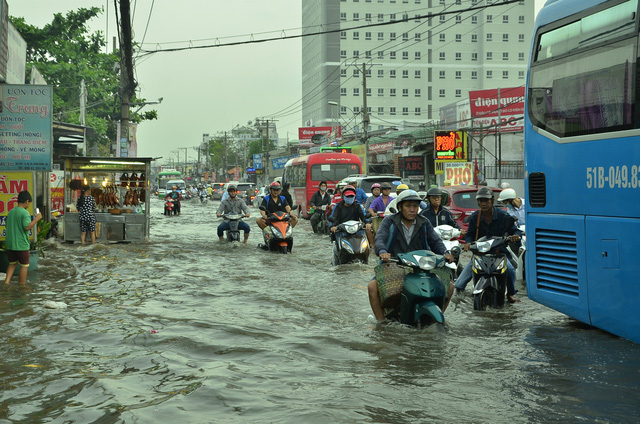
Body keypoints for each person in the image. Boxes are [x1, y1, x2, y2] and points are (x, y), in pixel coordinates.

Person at [367, 190, 454, 321]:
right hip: (394, 265)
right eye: (408, 206)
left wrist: (446, 253)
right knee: (372, 287)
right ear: (400, 207)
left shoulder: (424, 222)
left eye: (415, 206)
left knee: (450, 287)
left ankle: (436, 314)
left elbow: (436, 241)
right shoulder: (389, 221)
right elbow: (380, 238)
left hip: (421, 267)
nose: (412, 209)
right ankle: (381, 323)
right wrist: (382, 251)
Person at [454, 186, 522, 303]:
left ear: (492, 200)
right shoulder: (475, 216)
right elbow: (469, 234)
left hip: (499, 253)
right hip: (480, 254)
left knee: (510, 271)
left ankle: (510, 294)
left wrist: (515, 236)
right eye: (481, 201)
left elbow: (515, 230)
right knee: (459, 284)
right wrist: (468, 243)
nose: (483, 203)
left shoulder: (503, 216)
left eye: (486, 200)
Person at [4, 191, 42, 284]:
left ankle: (7, 282)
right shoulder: (24, 213)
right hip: (21, 244)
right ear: (27, 201)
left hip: (10, 244)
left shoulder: (11, 212)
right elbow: (27, 227)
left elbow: (7, 226)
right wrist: (37, 218)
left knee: (12, 264)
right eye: (29, 202)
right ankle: (22, 286)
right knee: (24, 266)